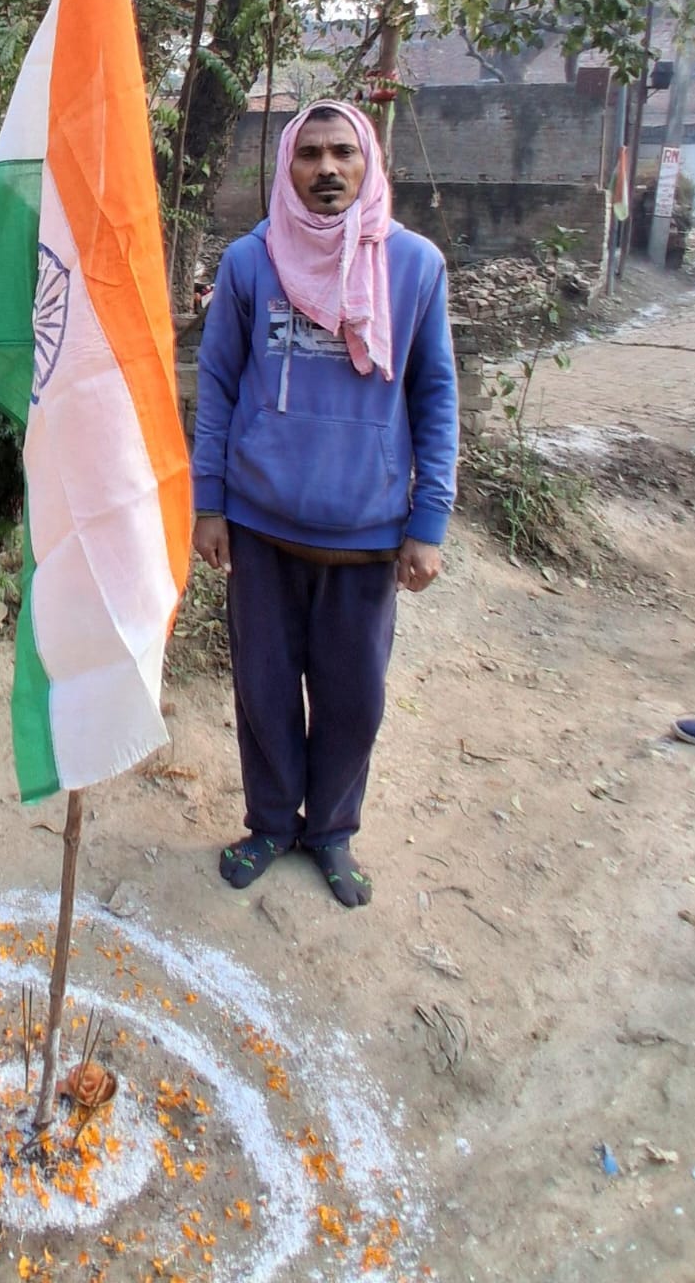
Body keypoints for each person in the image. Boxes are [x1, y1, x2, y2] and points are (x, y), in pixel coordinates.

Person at [192, 100, 457, 908]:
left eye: (343, 152)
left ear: (368, 163)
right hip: (261, 525)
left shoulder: (413, 266)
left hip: (366, 532)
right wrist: (209, 503)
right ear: (285, 167)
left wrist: (427, 521)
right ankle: (271, 821)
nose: (326, 170)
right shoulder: (249, 263)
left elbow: (435, 394)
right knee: (263, 688)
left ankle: (331, 832)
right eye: (308, 154)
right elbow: (215, 387)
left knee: (354, 697)